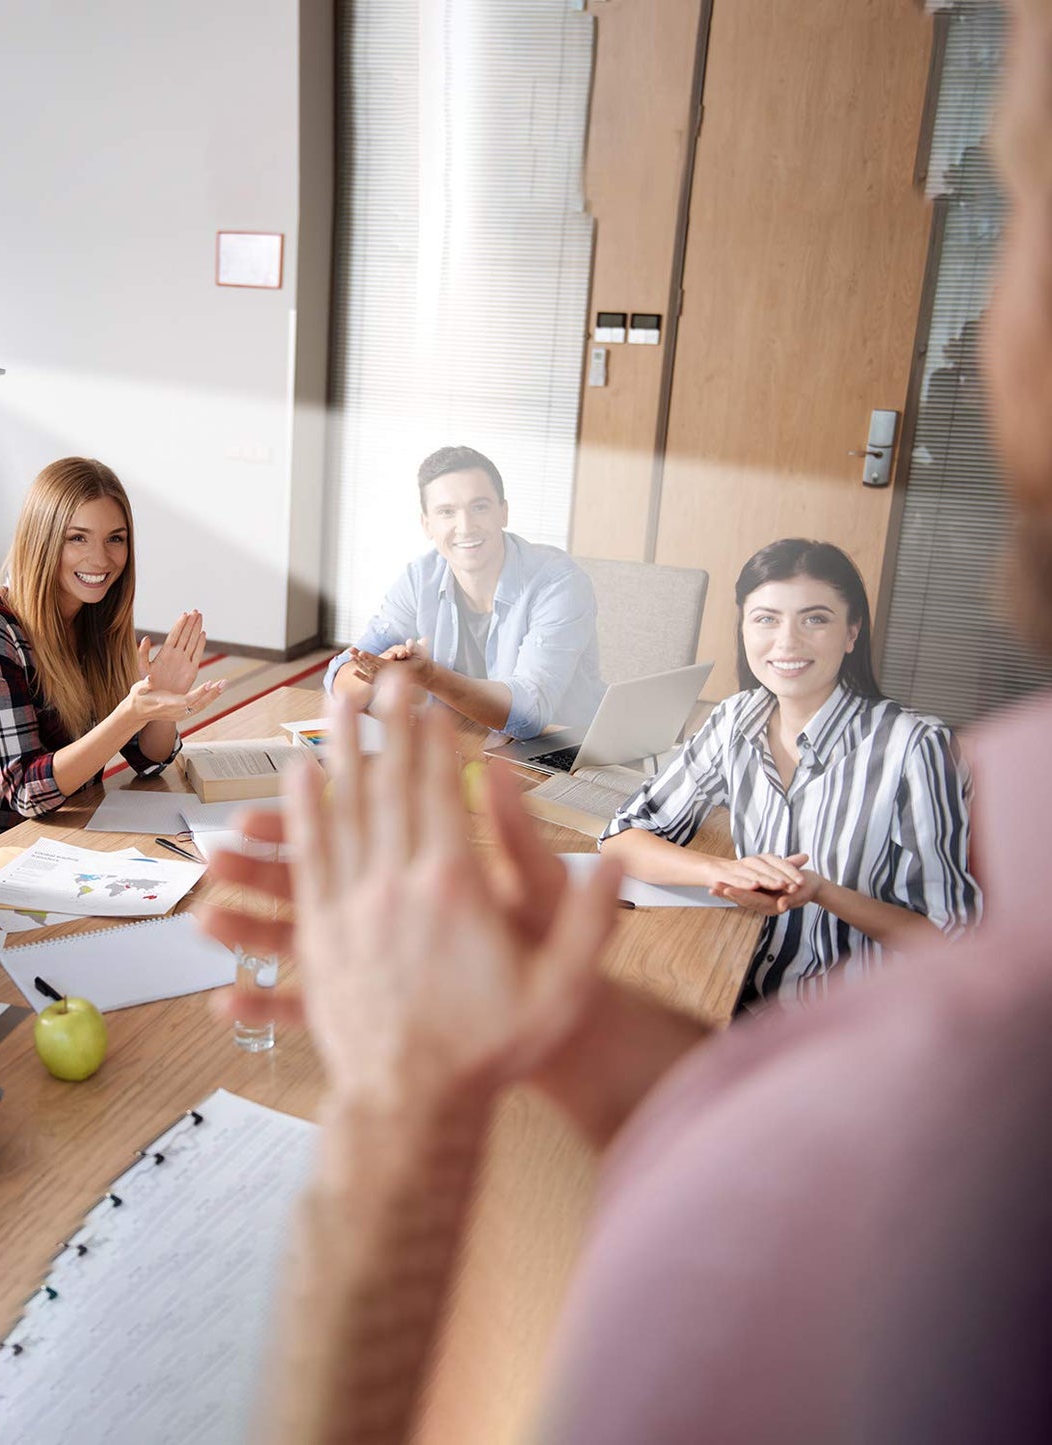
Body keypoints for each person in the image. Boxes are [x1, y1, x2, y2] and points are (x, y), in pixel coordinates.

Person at [196, 2, 1052, 1436]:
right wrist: (576, 1023)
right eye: (762, 622)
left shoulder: (924, 800)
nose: (982, 328)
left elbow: (531, 723)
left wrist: (398, 1121)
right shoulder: (939, 789)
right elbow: (597, 799)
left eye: (1020, 198)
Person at [599, 538, 980, 1006]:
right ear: (744, 627)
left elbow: (953, 938)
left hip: (854, 1017)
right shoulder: (736, 719)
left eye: (815, 619)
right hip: (742, 985)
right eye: (766, 619)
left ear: (852, 631)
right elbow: (622, 839)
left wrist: (820, 892)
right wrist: (728, 871)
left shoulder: (915, 747)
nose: (787, 642)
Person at [0, 456, 224, 853]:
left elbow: (148, 762)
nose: (101, 559)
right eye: (78, 538)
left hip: (74, 835)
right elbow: (27, 794)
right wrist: (129, 714)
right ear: (41, 540)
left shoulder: (95, 621)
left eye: (115, 538)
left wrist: (159, 709)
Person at [325, 445, 604, 738]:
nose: (465, 526)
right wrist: (380, 670)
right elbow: (340, 681)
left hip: (567, 750)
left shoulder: (558, 583)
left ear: (503, 512)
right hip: (468, 742)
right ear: (427, 524)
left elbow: (530, 715)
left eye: (479, 507)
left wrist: (429, 676)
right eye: (447, 512)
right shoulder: (420, 578)